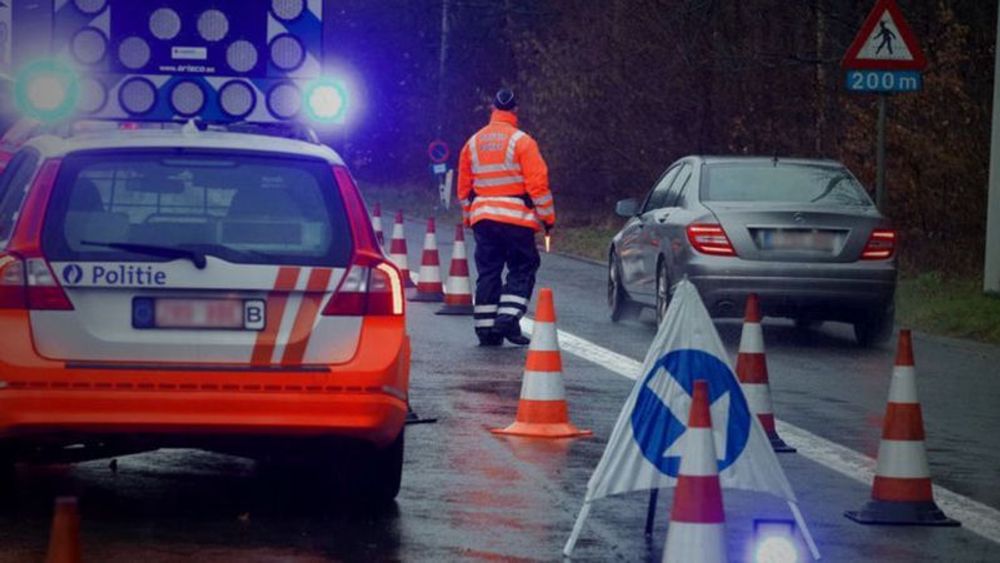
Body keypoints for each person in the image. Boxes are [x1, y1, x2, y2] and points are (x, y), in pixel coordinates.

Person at [457, 88, 555, 346]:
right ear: (515, 111)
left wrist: (469, 218)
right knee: (523, 266)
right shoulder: (523, 142)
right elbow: (538, 186)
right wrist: (547, 219)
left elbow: (464, 190)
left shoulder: (473, 142)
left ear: (493, 110)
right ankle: (508, 318)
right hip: (516, 220)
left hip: (484, 221)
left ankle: (486, 330)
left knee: (488, 271)